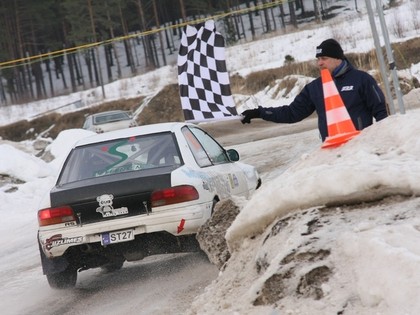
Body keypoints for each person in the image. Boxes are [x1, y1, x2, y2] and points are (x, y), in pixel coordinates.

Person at [241, 38, 389, 141]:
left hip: (361, 148)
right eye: (318, 59)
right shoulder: (315, 88)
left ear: (338, 58)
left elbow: (381, 112)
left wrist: (381, 142)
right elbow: (292, 113)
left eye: (323, 58)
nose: (319, 63)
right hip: (332, 151)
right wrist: (259, 113)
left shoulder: (361, 79)